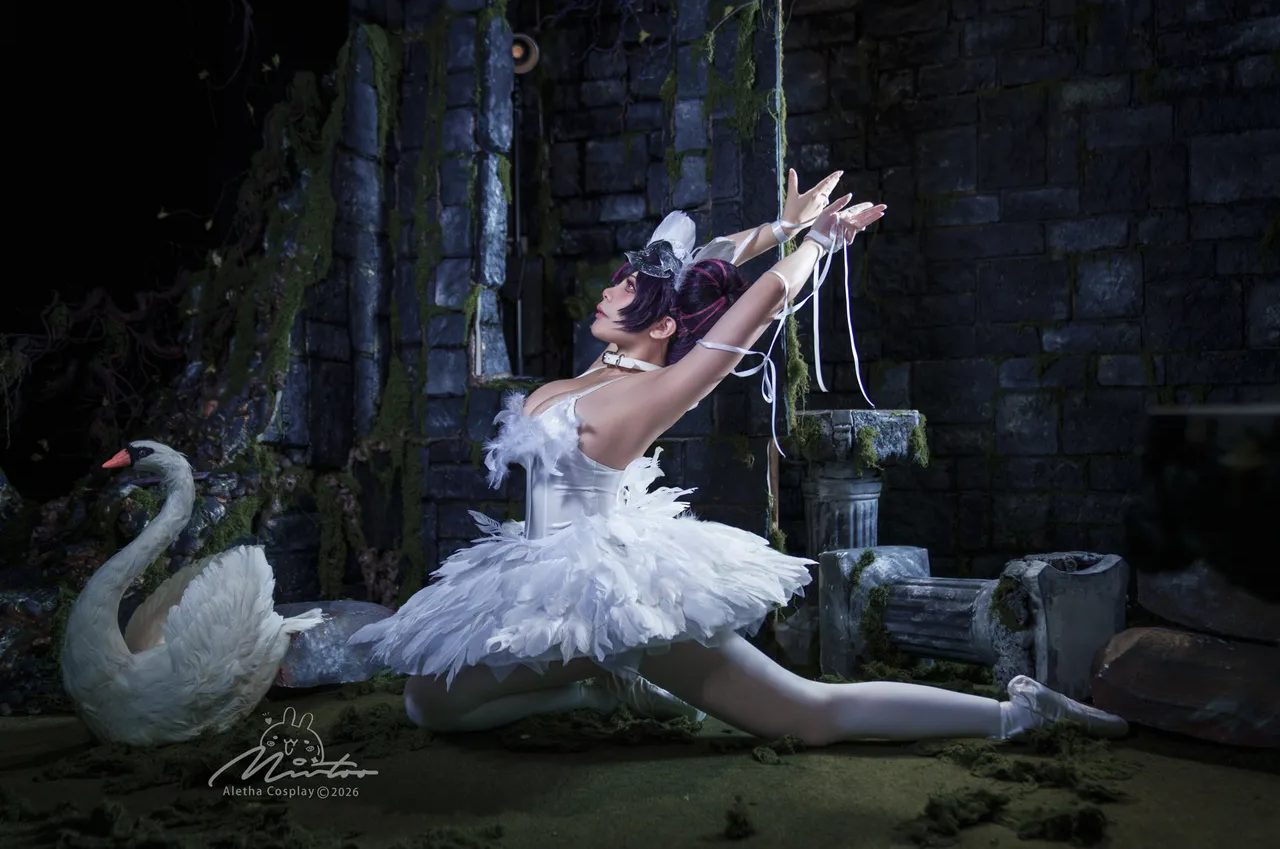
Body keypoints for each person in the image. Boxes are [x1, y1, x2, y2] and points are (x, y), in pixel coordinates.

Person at [348, 175, 1129, 746]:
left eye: (626, 288)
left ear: (660, 327)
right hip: (546, 583)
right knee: (428, 701)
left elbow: (756, 307)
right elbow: (705, 260)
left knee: (807, 714)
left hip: (615, 593)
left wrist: (817, 245)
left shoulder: (649, 392)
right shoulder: (597, 371)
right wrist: (779, 226)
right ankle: (603, 685)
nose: (609, 291)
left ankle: (1015, 713)